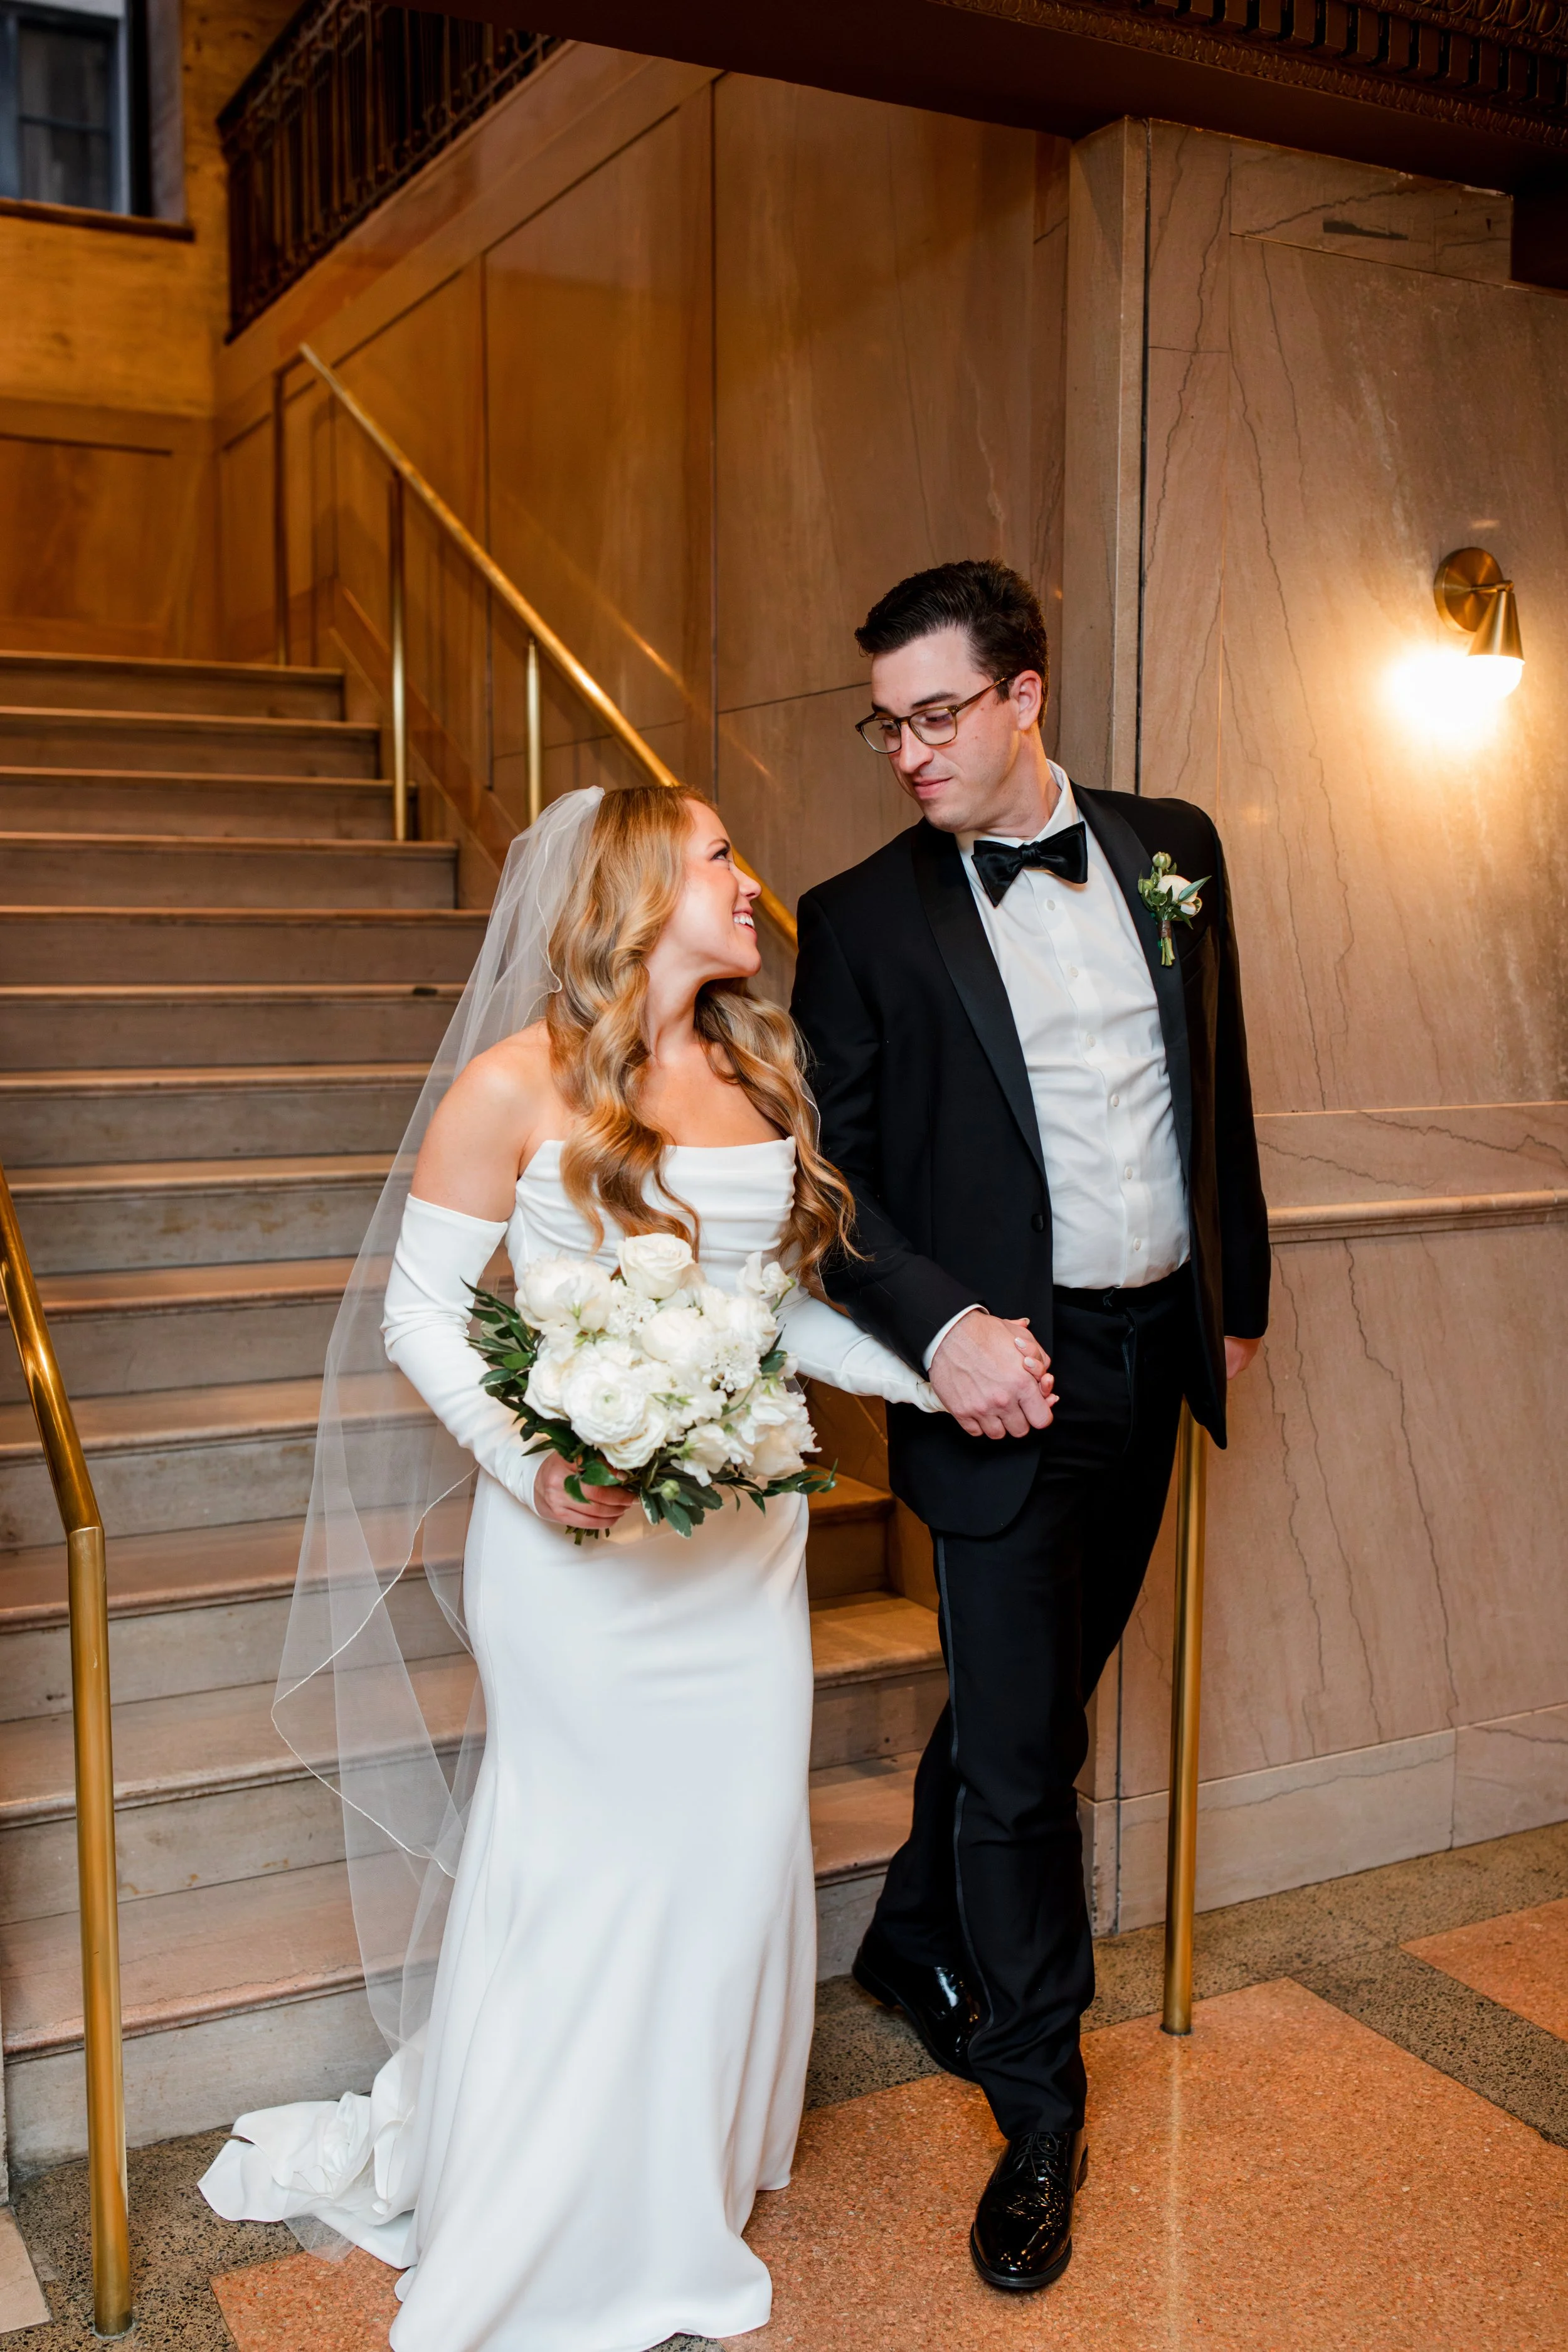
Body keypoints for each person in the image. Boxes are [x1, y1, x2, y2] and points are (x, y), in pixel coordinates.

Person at [200, 783, 941, 2351]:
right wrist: (532, 1463)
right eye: (721, 859)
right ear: (634, 890)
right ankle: (555, 2200)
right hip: (576, 1560)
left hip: (739, 1553)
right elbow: (416, 1313)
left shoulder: (750, 1063)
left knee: (729, 1860)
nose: (750, 885)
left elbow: (770, 1317)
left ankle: (681, 2165)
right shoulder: (512, 1084)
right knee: (593, 1865)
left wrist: (934, 1379)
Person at [790, 558, 1269, 2294]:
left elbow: (1214, 1075)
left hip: (1151, 1353)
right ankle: (1036, 2105)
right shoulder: (853, 918)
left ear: (1023, 695)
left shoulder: (1173, 846)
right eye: (885, 723)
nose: (906, 751)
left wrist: (1233, 1288)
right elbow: (818, 1182)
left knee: (1035, 1699)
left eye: (934, 714)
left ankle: (910, 1933)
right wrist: (941, 1326)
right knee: (1025, 1763)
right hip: (1000, 1379)